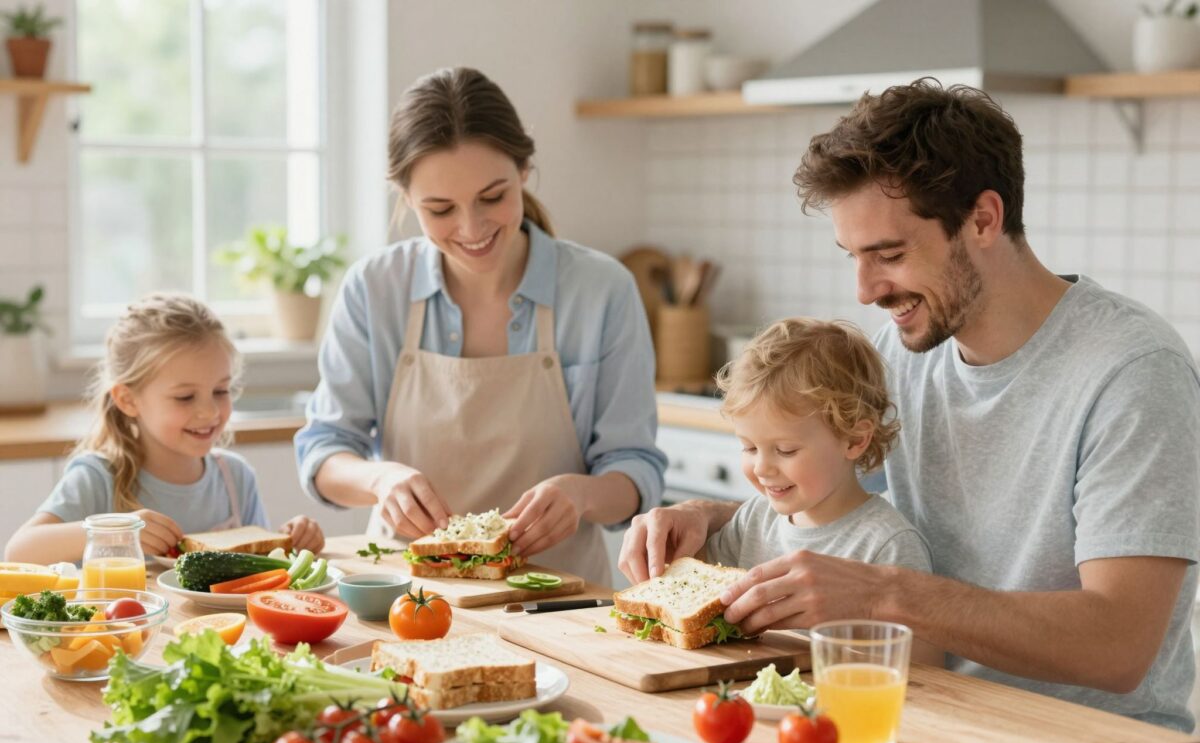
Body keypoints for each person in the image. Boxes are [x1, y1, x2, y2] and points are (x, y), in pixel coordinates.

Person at [619, 78, 1198, 743]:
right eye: (854, 257)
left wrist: (885, 596)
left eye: (889, 255)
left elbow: (1120, 643)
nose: (865, 290)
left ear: (984, 220)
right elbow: (840, 501)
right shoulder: (906, 353)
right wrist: (710, 516)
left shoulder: (1132, 374)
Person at [295, 67, 664, 585]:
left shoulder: (602, 289)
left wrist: (581, 496)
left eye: (493, 197)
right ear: (405, 199)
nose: (471, 229)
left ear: (525, 171)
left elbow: (635, 468)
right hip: (403, 593)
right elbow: (324, 449)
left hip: (555, 595)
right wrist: (382, 479)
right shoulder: (373, 288)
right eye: (440, 209)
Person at [6, 294, 324, 564]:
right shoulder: (100, 477)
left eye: (221, 390)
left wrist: (292, 542)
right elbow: (18, 551)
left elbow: (259, 566)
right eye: (185, 397)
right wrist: (116, 530)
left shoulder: (235, 478)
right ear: (128, 400)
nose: (210, 411)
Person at [703, 316, 941, 665]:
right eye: (749, 448)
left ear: (855, 439)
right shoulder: (754, 519)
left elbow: (925, 670)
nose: (762, 468)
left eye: (785, 450)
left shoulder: (887, 545)